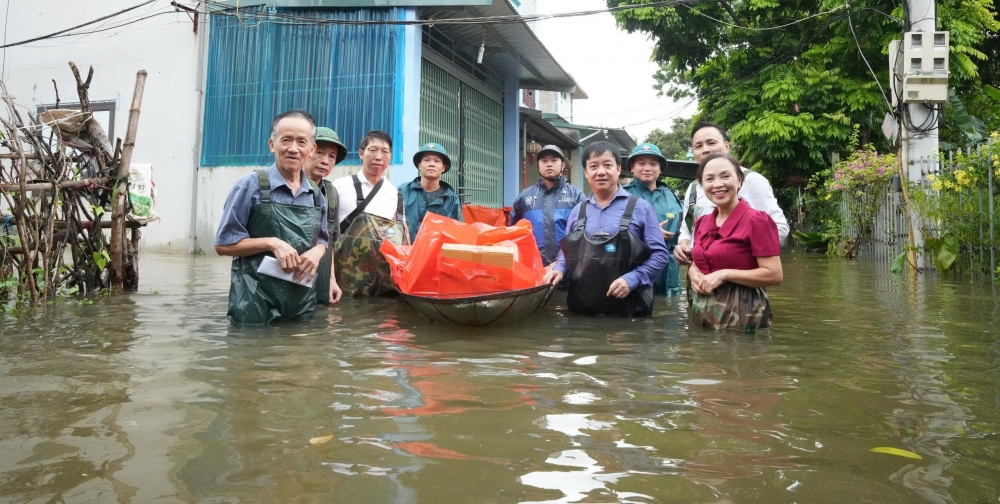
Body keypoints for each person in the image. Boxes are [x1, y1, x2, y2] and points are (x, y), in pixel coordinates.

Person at [215, 110, 328, 325]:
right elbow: (223, 245)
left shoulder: (316, 194)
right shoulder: (249, 185)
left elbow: (323, 238)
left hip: (301, 302)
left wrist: (318, 251)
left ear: (311, 149)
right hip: (254, 301)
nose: (293, 148)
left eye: (301, 142)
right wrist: (271, 242)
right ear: (272, 144)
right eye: (286, 140)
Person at [543, 141, 669, 317]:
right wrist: (559, 269)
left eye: (607, 165)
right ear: (586, 173)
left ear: (618, 169)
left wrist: (632, 279)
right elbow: (567, 253)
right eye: (593, 166)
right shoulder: (577, 211)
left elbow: (660, 255)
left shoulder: (642, 208)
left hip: (631, 312)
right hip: (582, 314)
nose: (600, 171)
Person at [688, 152, 783, 331]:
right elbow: (696, 262)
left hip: (743, 311)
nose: (717, 184)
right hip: (704, 308)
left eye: (725, 176)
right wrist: (694, 276)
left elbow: (774, 275)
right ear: (703, 185)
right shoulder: (703, 222)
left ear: (739, 181)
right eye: (709, 179)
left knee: (741, 357)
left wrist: (725, 274)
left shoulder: (757, 220)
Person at [674, 122, 789, 266]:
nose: (705, 150)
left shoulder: (752, 180)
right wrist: (683, 245)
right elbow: (688, 227)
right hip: (699, 273)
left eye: (711, 143)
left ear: (726, 146)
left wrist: (735, 252)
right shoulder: (693, 188)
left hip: (742, 275)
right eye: (699, 146)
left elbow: (779, 227)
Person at [331, 130, 407, 297]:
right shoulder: (340, 187)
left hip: (384, 286)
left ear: (390, 156)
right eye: (372, 150)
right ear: (361, 153)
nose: (378, 156)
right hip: (345, 283)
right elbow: (326, 233)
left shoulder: (395, 194)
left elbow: (403, 237)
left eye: (384, 152)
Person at [623, 142, 684, 296]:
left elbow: (685, 229)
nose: (647, 168)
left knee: (669, 314)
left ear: (660, 168)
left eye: (653, 164)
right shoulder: (622, 196)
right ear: (632, 167)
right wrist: (651, 234)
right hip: (637, 267)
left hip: (669, 272)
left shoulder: (671, 196)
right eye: (641, 163)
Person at [510, 144, 585, 266]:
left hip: (568, 269)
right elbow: (514, 231)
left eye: (554, 160)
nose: (549, 164)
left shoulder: (576, 196)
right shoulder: (524, 198)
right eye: (544, 161)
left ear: (563, 165)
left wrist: (561, 263)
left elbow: (582, 234)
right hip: (533, 268)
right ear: (538, 166)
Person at [304, 126, 347, 306]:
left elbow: (329, 240)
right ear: (307, 151)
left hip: (318, 280)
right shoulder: (282, 186)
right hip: (283, 277)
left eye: (331, 156)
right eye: (319, 152)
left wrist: (331, 280)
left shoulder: (331, 192)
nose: (325, 161)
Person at [399, 142, 463, 242]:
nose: (431, 164)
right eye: (426, 160)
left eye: (437, 161)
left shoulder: (451, 199)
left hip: (435, 255)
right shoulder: (403, 191)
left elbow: (457, 232)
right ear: (419, 165)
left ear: (443, 167)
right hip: (403, 254)